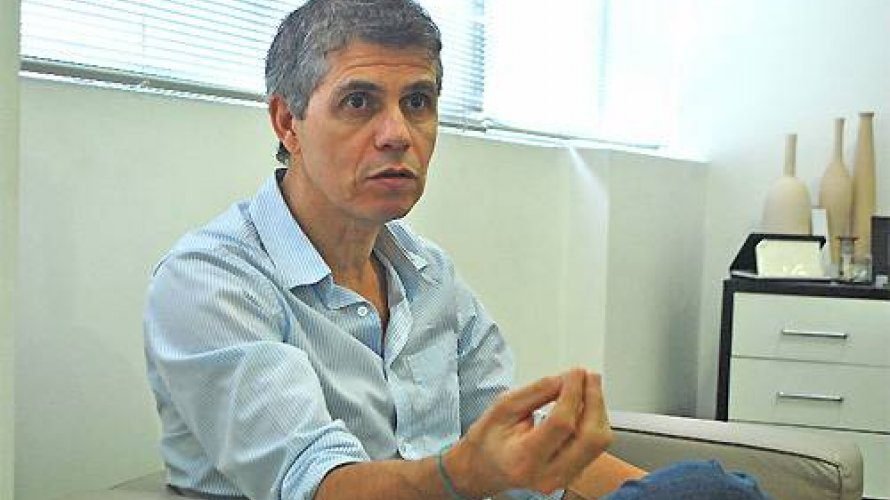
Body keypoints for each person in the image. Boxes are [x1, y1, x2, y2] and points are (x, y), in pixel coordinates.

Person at [143, 1, 769, 499]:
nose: (397, 134)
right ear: (288, 123)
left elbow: (512, 446)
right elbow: (319, 486)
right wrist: (465, 473)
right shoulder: (210, 279)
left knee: (708, 488)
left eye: (417, 102)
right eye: (359, 102)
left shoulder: (427, 274)